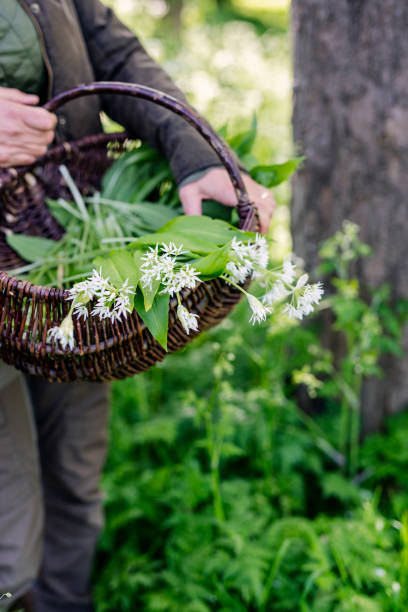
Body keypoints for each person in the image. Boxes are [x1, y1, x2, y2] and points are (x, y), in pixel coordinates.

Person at [0, 2, 276, 611]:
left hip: (66, 261)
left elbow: (111, 49)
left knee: (74, 474)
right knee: (9, 542)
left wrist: (198, 152)